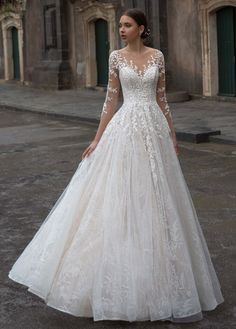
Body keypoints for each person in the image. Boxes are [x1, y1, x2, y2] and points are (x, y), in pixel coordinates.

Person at [8, 8, 224, 323]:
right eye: (120, 25)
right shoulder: (115, 58)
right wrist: (97, 139)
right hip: (125, 128)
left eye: (126, 25)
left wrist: (172, 134)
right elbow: (110, 101)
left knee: (157, 197)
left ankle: (162, 276)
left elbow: (162, 98)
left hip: (154, 129)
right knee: (122, 194)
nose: (121, 30)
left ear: (141, 28)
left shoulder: (158, 57)